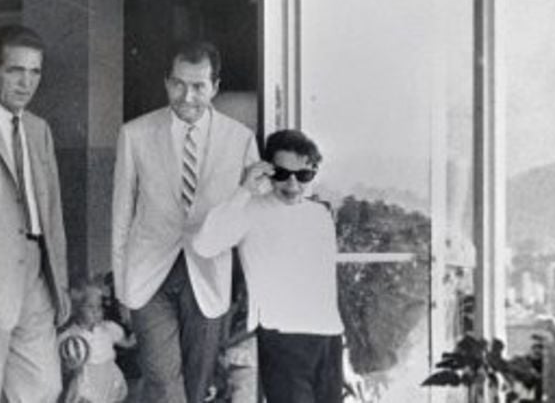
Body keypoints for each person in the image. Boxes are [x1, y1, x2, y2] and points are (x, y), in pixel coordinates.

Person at [112, 40, 260, 403]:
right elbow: (120, 215)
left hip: (209, 278)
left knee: (195, 389)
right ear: (166, 82)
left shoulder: (240, 139)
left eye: (198, 86)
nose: (187, 96)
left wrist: (254, 295)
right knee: (163, 382)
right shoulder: (135, 134)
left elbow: (251, 224)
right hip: (148, 277)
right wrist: (121, 288)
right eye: (178, 84)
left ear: (215, 87)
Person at [0, 24, 71, 403]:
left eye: (35, 72)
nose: (27, 83)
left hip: (36, 279)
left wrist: (61, 287)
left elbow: (52, 215)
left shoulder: (39, 130)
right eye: (15, 71)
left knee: (43, 389)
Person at [192, 129, 344, 403]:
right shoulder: (249, 210)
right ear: (267, 170)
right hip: (283, 336)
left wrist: (344, 351)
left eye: (304, 176)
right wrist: (243, 190)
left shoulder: (320, 215)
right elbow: (204, 245)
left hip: (327, 337)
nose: (293, 185)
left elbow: (326, 284)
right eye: (283, 174)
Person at [59, 281, 135, 403]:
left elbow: (127, 343)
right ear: (77, 308)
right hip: (86, 380)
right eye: (90, 307)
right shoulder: (71, 336)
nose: (96, 311)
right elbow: (64, 364)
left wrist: (136, 330)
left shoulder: (108, 328)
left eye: (99, 307)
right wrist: (68, 366)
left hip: (108, 378)